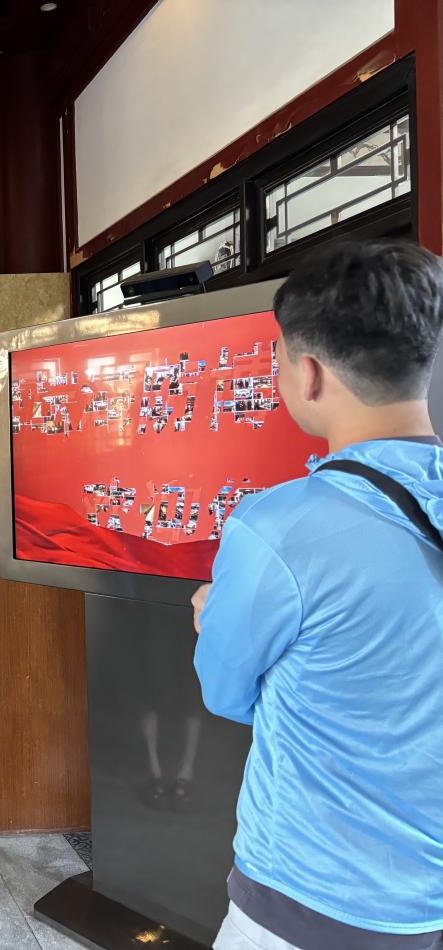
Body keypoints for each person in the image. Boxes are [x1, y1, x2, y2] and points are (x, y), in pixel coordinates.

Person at [191, 240, 443, 950]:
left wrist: (215, 622)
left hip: (307, 897)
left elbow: (225, 693)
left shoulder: (277, 527)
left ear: (308, 373)